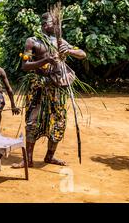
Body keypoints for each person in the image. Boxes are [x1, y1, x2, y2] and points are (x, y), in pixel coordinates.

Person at [12, 12, 86, 169]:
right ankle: (28, 159)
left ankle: (49, 156)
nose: (58, 26)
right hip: (38, 87)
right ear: (45, 24)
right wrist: (45, 60)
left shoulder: (60, 42)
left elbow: (82, 54)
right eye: (55, 23)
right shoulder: (32, 41)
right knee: (32, 122)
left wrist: (70, 51)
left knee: (59, 122)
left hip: (57, 88)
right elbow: (25, 66)